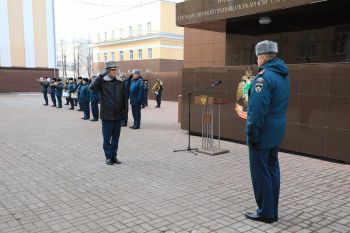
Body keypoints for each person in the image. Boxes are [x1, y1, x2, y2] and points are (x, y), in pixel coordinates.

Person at [245, 40, 290, 223]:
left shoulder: (263, 78)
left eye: (257, 57)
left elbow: (257, 112)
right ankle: (272, 210)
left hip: (263, 132)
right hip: (276, 130)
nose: (257, 61)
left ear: (262, 57)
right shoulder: (282, 75)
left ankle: (265, 212)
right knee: (272, 170)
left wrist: (252, 134)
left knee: (261, 172)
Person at [89, 61, 128, 165]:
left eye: (115, 69)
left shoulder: (120, 82)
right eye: (112, 70)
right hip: (107, 115)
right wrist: (101, 75)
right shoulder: (102, 82)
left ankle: (114, 156)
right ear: (107, 71)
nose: (114, 71)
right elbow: (92, 88)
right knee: (107, 138)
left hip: (118, 115)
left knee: (116, 138)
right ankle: (108, 157)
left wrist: (125, 114)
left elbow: (125, 99)